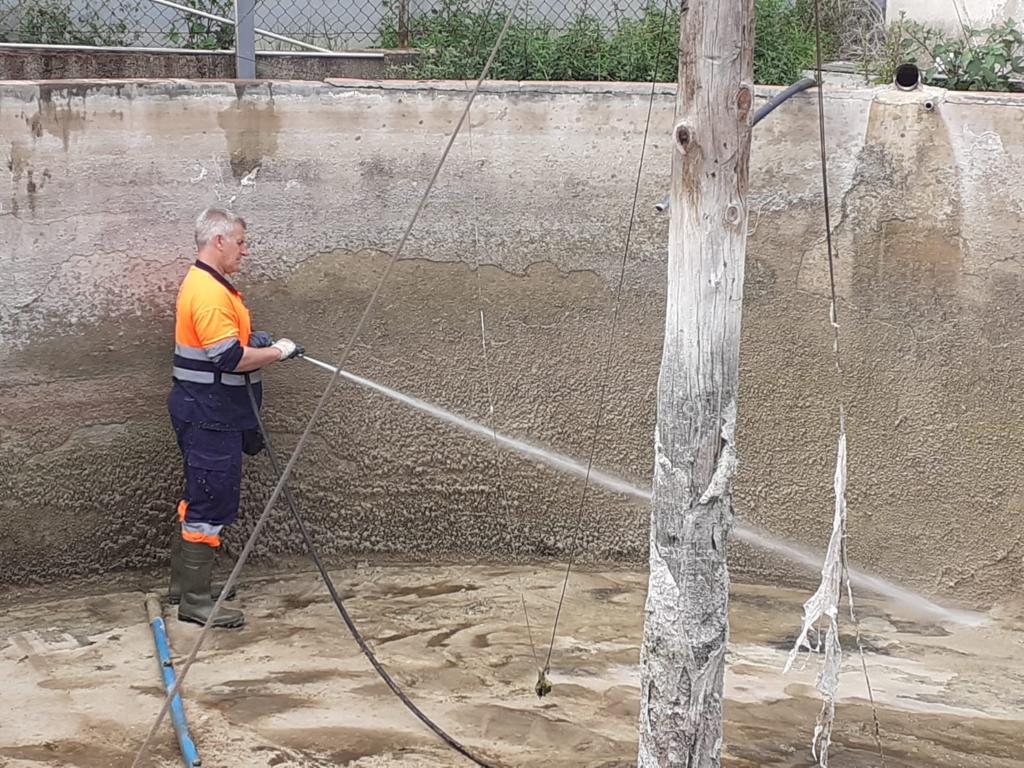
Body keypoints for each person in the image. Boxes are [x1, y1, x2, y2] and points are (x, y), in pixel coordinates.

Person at [166, 206, 302, 628]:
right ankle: (195, 601)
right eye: (241, 242)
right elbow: (228, 358)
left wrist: (255, 339)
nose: (245, 250)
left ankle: (185, 586)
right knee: (211, 501)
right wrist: (277, 352)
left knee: (201, 494)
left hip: (209, 411)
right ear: (219, 240)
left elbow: (227, 342)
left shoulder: (212, 286)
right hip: (210, 415)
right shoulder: (208, 293)